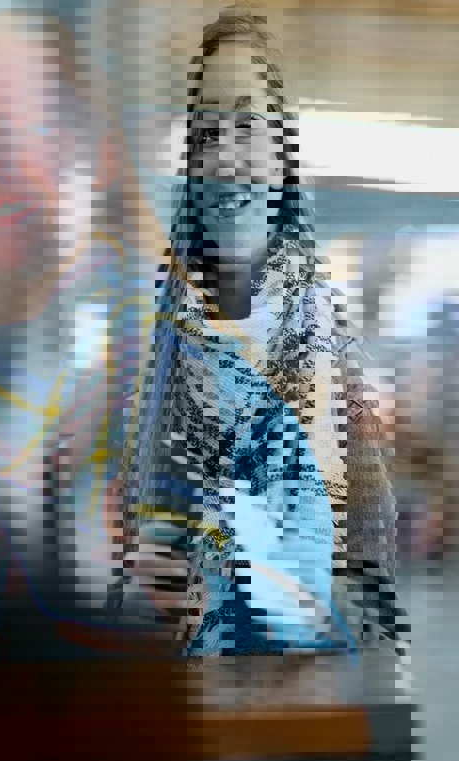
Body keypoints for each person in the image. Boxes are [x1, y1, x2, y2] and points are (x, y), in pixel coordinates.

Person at [118, 5, 403, 671]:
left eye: (248, 124)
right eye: (208, 132)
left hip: (305, 681)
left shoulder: (319, 330)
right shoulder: (170, 332)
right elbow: (150, 522)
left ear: (282, 147)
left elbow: (348, 542)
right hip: (191, 686)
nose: (228, 155)